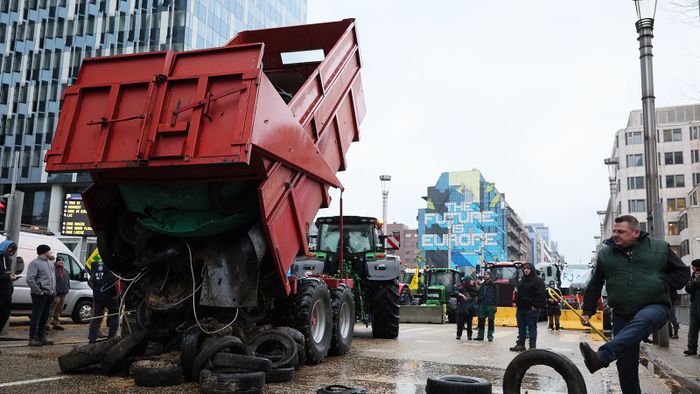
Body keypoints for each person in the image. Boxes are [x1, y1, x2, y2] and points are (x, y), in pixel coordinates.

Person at [579, 215, 690, 394]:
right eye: (614, 231)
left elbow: (683, 272)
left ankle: (602, 356)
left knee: (644, 319)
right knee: (626, 367)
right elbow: (595, 284)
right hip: (622, 313)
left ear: (636, 232)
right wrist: (587, 311)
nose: (616, 235)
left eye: (621, 232)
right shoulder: (606, 254)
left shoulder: (659, 248)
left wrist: (663, 284)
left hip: (655, 307)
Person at [509, 262, 546, 352]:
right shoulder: (522, 280)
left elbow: (541, 295)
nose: (526, 270)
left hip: (531, 309)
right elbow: (518, 292)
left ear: (531, 270)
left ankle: (532, 346)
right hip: (521, 308)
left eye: (528, 269)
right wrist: (515, 302)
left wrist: (536, 306)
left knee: (532, 327)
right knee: (521, 327)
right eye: (525, 269)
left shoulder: (538, 281)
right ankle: (520, 344)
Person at [25, 244, 56, 346]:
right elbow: (29, 279)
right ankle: (32, 338)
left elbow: (53, 278)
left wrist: (53, 290)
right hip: (39, 294)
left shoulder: (50, 263)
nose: (51, 253)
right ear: (44, 252)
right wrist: (39, 291)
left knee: (45, 316)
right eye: (49, 251)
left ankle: (41, 336)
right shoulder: (34, 263)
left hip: (49, 294)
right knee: (36, 316)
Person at [88, 257, 119, 343]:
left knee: (96, 316)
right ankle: (111, 338)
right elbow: (112, 281)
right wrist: (114, 294)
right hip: (107, 293)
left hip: (97, 293)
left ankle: (92, 339)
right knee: (115, 314)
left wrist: (95, 291)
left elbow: (92, 280)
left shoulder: (98, 265)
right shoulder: (110, 266)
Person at [45, 256, 70, 332]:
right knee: (51, 310)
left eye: (62, 261)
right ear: (56, 262)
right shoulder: (53, 270)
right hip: (56, 294)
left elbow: (68, 281)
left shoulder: (65, 271)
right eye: (59, 260)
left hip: (63, 294)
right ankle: (47, 324)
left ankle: (56, 324)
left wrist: (68, 287)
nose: (61, 262)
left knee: (59, 311)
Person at [0, 240, 18, 333]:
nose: (11, 254)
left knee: (4, 316)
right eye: (10, 251)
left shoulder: (8, 260)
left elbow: (7, 273)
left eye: (13, 252)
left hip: (7, 293)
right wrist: (8, 277)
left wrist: (11, 276)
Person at [475, 270, 498, 341]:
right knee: (481, 320)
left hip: (491, 305)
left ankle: (490, 336)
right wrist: (478, 303)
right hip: (482, 305)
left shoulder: (494, 285)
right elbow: (478, 294)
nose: (486, 275)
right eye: (485, 274)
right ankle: (480, 336)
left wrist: (495, 306)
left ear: (490, 276)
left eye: (487, 274)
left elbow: (497, 296)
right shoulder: (482, 285)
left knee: (491, 321)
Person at [684, 260, 700, 356]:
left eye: (693, 266)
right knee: (693, 327)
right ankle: (692, 348)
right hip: (694, 304)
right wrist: (695, 281)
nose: (692, 268)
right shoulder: (693, 275)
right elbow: (688, 288)